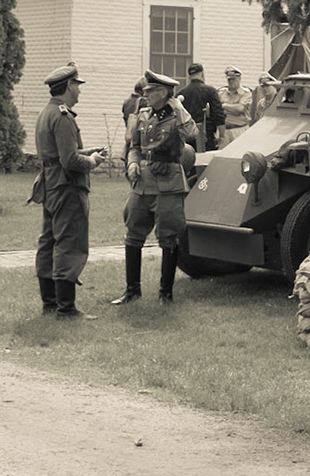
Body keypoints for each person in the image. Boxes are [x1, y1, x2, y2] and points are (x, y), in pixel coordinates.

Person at [111, 70, 199, 305]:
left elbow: (192, 133)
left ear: (163, 92)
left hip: (169, 183)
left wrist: (177, 106)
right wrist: (132, 163)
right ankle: (132, 291)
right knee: (133, 232)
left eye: (150, 91)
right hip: (143, 182)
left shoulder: (176, 116)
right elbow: (134, 146)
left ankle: (165, 294)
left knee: (168, 237)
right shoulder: (142, 114)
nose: (145, 95)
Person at [33, 63, 108, 319]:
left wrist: (86, 151)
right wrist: (92, 161)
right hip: (67, 187)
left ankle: (50, 303)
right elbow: (69, 161)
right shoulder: (63, 116)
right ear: (68, 87)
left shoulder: (47, 112)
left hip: (51, 184)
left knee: (49, 240)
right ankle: (66, 308)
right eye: (77, 85)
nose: (79, 91)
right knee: (69, 243)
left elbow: (57, 153)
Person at [178, 63, 226, 153]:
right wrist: (222, 136)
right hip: (206, 137)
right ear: (202, 74)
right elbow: (218, 115)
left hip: (186, 138)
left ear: (189, 76)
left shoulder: (181, 93)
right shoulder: (210, 91)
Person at [217, 67, 253, 143]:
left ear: (239, 79)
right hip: (225, 131)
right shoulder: (221, 93)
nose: (231, 82)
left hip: (239, 129)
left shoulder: (246, 93)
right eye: (229, 79)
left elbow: (240, 108)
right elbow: (217, 110)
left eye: (233, 79)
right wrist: (232, 108)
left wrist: (224, 106)